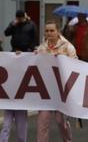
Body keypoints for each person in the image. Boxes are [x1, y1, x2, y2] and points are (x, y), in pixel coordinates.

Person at [0, 10, 38, 142]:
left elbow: (34, 39)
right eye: (18, 18)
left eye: (21, 18)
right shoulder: (14, 25)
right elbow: (6, 33)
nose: (20, 20)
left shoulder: (31, 25)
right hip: (13, 53)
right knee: (6, 124)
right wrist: (13, 24)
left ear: (24, 17)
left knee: (21, 125)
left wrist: (33, 51)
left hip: (26, 53)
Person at [36, 20, 76, 142]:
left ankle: (67, 140)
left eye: (52, 30)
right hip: (46, 90)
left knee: (60, 121)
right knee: (43, 122)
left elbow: (75, 64)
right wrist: (32, 57)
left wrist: (62, 60)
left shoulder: (68, 46)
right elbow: (35, 65)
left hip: (61, 90)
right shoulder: (41, 48)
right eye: (47, 31)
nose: (49, 33)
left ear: (57, 31)